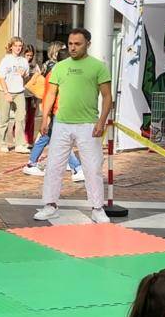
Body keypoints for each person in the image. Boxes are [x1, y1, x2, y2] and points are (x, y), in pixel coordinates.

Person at [34, 28, 113, 223]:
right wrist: (45, 118)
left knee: (93, 167)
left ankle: (97, 207)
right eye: (70, 43)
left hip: (88, 124)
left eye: (77, 44)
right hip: (62, 124)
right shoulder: (60, 67)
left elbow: (107, 96)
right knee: (54, 166)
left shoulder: (98, 67)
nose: (73, 47)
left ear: (88, 44)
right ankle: (50, 205)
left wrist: (101, 122)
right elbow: (51, 94)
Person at [22, 47, 84, 182]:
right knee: (62, 141)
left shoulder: (61, 72)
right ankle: (76, 168)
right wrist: (46, 116)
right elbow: (50, 96)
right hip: (59, 112)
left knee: (48, 137)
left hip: (61, 111)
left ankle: (31, 163)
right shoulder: (58, 74)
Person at [0, 37, 30, 153]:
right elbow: (1, 78)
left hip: (19, 91)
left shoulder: (24, 61)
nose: (18, 48)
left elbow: (26, 77)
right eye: (15, 45)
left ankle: (19, 144)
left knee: (21, 118)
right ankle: (3, 143)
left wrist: (24, 75)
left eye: (20, 46)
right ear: (11, 46)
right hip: (6, 91)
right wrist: (6, 93)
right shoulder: (6, 60)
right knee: (4, 118)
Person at [23, 44, 42, 147]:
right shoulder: (20, 64)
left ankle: (29, 139)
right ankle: (19, 135)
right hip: (22, 93)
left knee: (31, 117)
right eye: (27, 55)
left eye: (31, 55)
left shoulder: (35, 66)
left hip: (33, 94)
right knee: (22, 117)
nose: (29, 57)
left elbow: (39, 77)